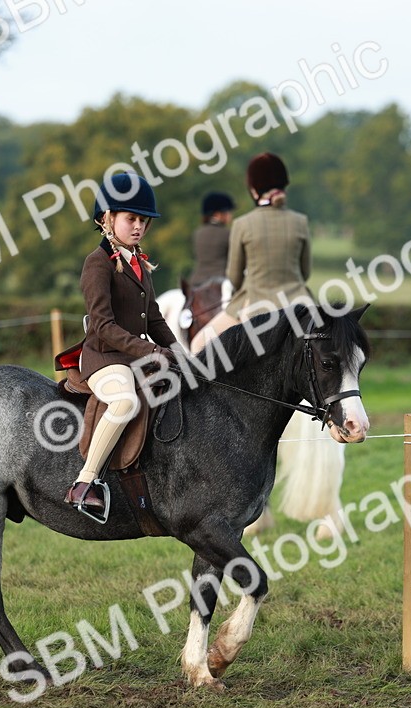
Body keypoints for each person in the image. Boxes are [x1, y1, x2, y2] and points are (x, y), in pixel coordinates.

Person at [65, 173, 179, 516]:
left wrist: (183, 355)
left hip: (131, 358)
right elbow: (102, 325)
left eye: (143, 220)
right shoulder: (97, 263)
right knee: (125, 401)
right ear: (106, 218)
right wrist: (153, 352)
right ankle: (85, 483)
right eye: (131, 218)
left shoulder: (138, 263)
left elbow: (155, 318)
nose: (139, 226)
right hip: (102, 359)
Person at [190, 153, 312, 352]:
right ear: (283, 185)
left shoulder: (242, 224)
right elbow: (305, 272)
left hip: (254, 306)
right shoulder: (301, 222)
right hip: (299, 307)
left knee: (199, 345)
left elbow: (235, 276)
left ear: (254, 190)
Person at [188, 191, 235, 287]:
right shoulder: (227, 233)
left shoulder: (197, 233)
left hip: (196, 282)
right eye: (227, 212)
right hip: (221, 282)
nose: (230, 215)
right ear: (217, 214)